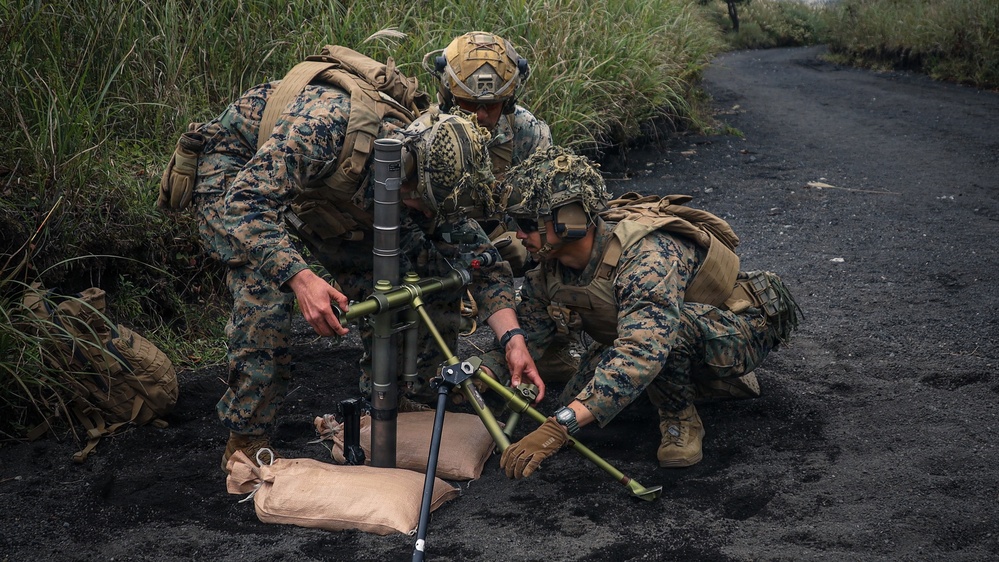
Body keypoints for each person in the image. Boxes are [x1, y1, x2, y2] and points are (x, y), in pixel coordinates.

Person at [165, 57, 543, 471]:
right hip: (238, 169)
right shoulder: (326, 129)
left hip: (326, 189)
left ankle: (398, 400)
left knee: (425, 265)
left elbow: (483, 263)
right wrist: (301, 277)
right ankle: (246, 438)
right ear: (408, 178)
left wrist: (513, 341)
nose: (428, 216)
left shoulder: (440, 171)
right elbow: (245, 204)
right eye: (424, 206)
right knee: (265, 294)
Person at [480, 146, 801, 478]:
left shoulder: (646, 257)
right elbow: (530, 334)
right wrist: (484, 372)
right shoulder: (549, 269)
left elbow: (643, 349)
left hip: (737, 327)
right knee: (577, 400)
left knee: (662, 340)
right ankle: (690, 383)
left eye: (527, 223)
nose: (519, 234)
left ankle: (680, 416)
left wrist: (560, 425)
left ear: (569, 221)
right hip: (646, 333)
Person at [426, 31, 580, 382]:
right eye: (469, 105)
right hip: (440, 241)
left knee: (564, 242)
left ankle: (547, 344)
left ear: (508, 101)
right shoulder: (428, 134)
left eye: (492, 105)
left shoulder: (528, 134)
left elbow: (548, 208)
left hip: (499, 236)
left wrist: (531, 241)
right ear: (448, 95)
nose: (481, 115)